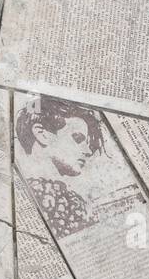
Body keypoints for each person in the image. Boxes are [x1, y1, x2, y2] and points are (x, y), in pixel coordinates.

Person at [14, 96, 108, 237]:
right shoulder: (38, 197)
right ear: (42, 134)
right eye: (77, 139)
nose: (88, 151)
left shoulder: (65, 197)